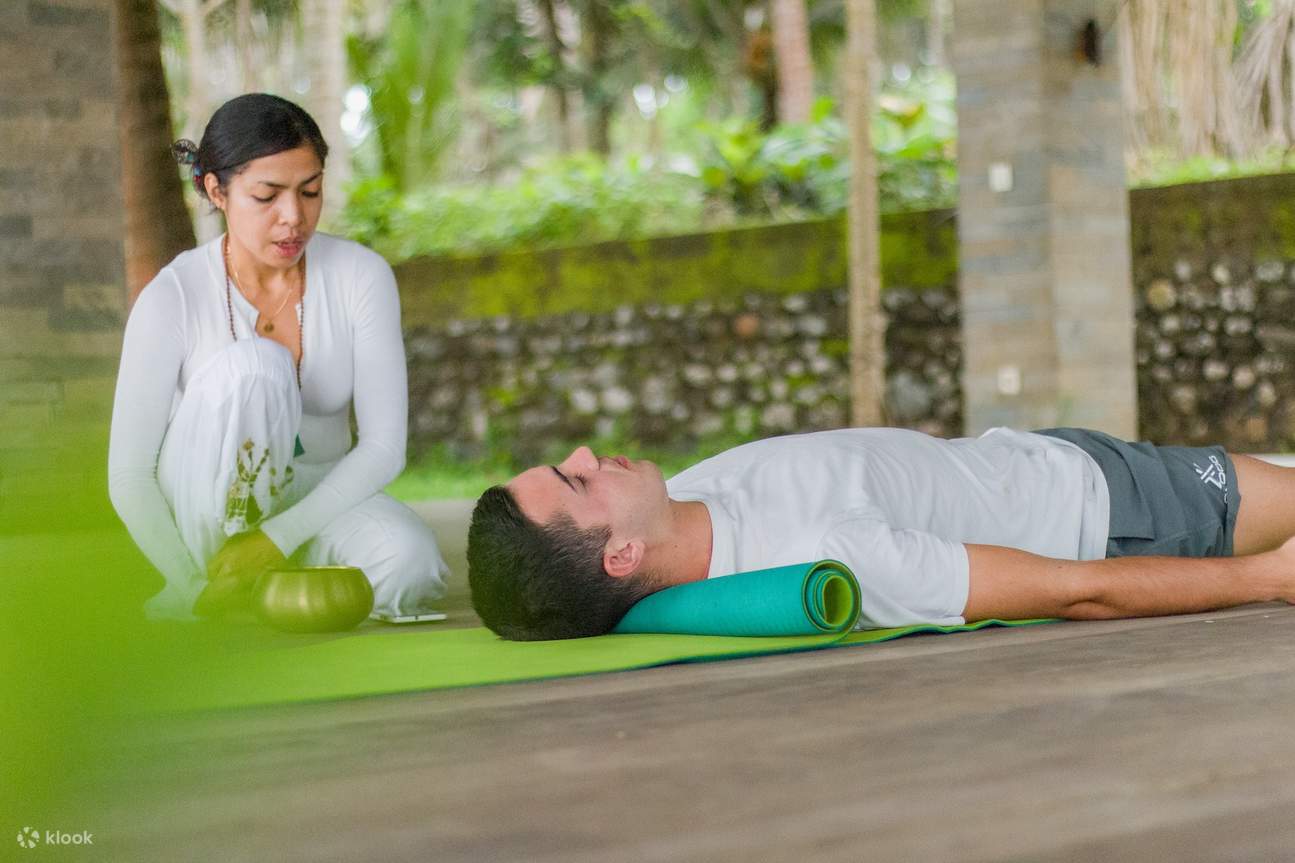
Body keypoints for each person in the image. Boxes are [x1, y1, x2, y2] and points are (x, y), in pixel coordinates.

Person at [108, 93, 449, 622]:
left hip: (315, 492)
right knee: (257, 367)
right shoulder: (172, 294)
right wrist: (184, 577)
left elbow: (383, 448)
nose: (294, 217)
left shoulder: (361, 275)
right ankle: (206, 589)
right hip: (208, 501)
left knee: (411, 564)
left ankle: (262, 581)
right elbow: (129, 475)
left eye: (310, 192)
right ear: (216, 190)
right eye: (267, 196)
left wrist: (275, 538)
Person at [466, 425, 1295, 641]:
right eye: (577, 481)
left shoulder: (681, 500)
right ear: (621, 553)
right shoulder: (835, 554)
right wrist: (1270, 578)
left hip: (1039, 454)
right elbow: (1080, 589)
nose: (584, 454)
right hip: (1118, 510)